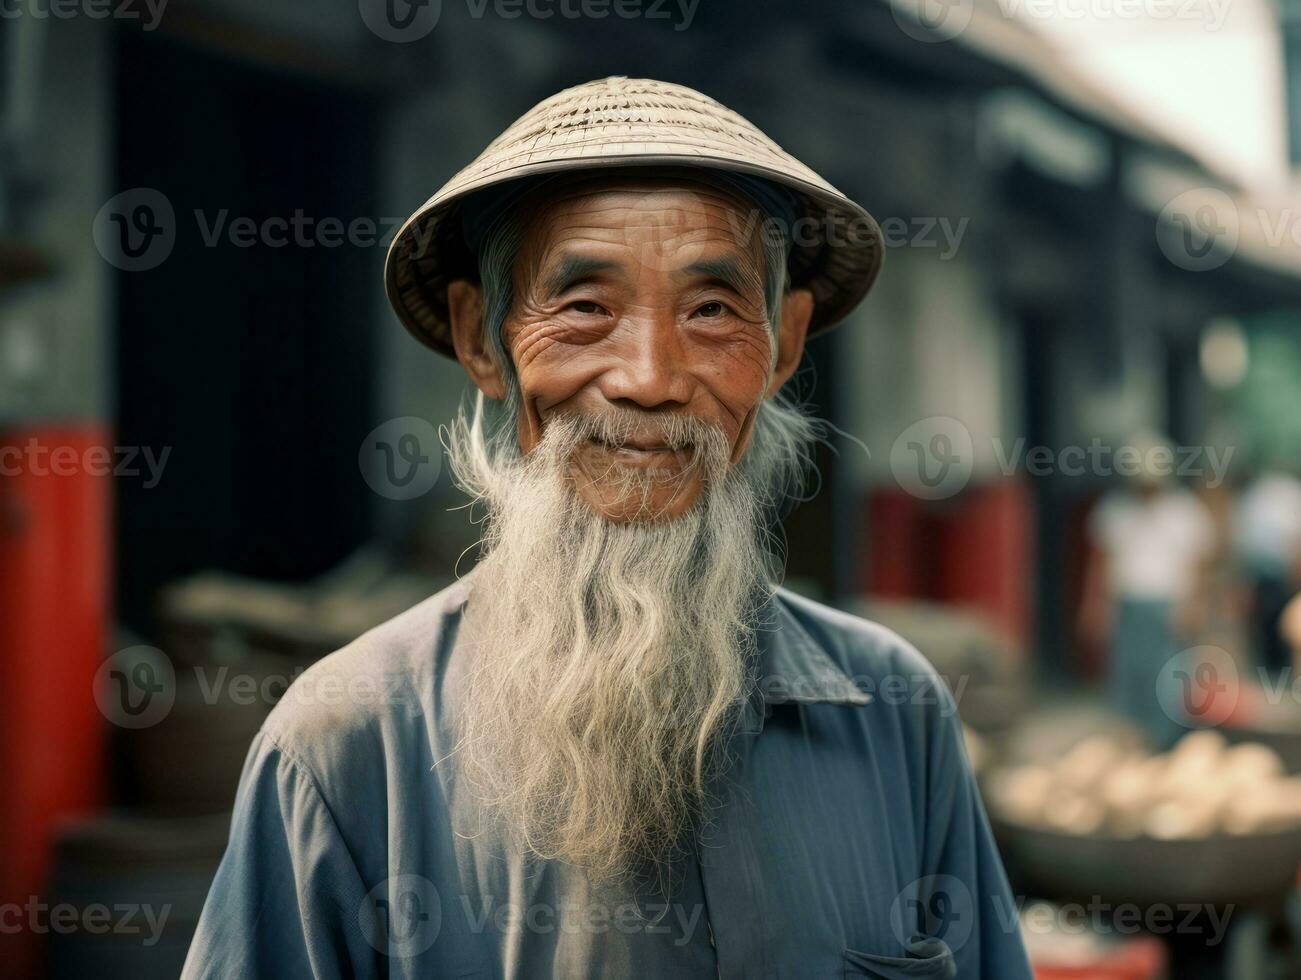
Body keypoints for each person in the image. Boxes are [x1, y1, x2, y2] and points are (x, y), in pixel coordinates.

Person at [182, 76, 1030, 979]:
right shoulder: (347, 741)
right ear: (482, 337)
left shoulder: (894, 713)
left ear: (782, 344)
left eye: (711, 310)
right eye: (585, 307)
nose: (649, 376)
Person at [1080, 433, 1216, 746]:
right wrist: (1095, 606)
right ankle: (1131, 740)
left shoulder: (1184, 511)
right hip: (1127, 604)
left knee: (1168, 677)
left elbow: (1198, 564)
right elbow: (1100, 562)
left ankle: (1167, 743)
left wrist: (1194, 604)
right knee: (1129, 673)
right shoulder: (1115, 510)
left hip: (1168, 605)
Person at [1234, 464, 1301, 677]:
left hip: (1281, 575)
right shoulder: (1258, 497)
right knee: (1266, 629)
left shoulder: (1288, 494)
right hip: (1263, 574)